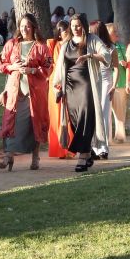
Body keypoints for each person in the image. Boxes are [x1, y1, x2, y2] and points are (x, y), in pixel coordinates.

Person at [53, 14, 111, 172]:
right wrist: (58, 87)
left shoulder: (92, 40)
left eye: (78, 25)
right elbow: (60, 66)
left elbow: (106, 55)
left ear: (84, 25)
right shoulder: (67, 44)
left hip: (87, 85)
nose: (76, 28)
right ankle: (87, 152)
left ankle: (82, 156)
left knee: (85, 119)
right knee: (75, 121)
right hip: (70, 87)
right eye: (73, 26)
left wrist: (89, 55)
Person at [0, 13, 52, 171]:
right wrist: (13, 67)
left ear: (33, 27)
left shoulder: (41, 46)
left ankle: (35, 157)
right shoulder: (12, 44)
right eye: (22, 26)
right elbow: (1, 63)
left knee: (34, 124)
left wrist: (32, 70)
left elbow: (48, 67)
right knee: (10, 121)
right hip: (15, 91)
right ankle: (8, 156)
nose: (24, 29)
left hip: (35, 92)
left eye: (27, 26)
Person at [90, 20, 117, 159]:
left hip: (106, 83)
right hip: (93, 82)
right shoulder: (89, 47)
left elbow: (116, 68)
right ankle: (94, 147)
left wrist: (114, 86)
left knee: (104, 114)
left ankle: (103, 148)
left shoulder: (111, 48)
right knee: (93, 115)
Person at [47, 21, 72, 158]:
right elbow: (49, 63)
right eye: (64, 31)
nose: (67, 33)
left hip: (69, 81)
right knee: (56, 115)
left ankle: (70, 148)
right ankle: (58, 149)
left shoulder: (73, 45)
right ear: (59, 33)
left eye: (68, 31)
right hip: (55, 83)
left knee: (69, 115)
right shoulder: (53, 45)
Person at [106, 22, 128, 143]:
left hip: (120, 83)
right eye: (114, 31)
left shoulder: (121, 47)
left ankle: (120, 136)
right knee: (106, 113)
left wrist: (125, 64)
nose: (117, 33)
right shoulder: (103, 47)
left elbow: (129, 63)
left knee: (120, 112)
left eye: (116, 31)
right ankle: (107, 138)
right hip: (107, 84)